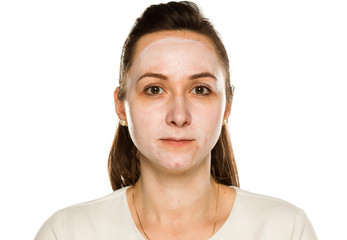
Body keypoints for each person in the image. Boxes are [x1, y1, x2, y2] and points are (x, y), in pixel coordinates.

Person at [35, 1, 317, 239]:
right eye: (155, 89)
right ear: (121, 107)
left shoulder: (284, 230)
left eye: (200, 89)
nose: (179, 116)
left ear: (227, 106)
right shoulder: (67, 233)